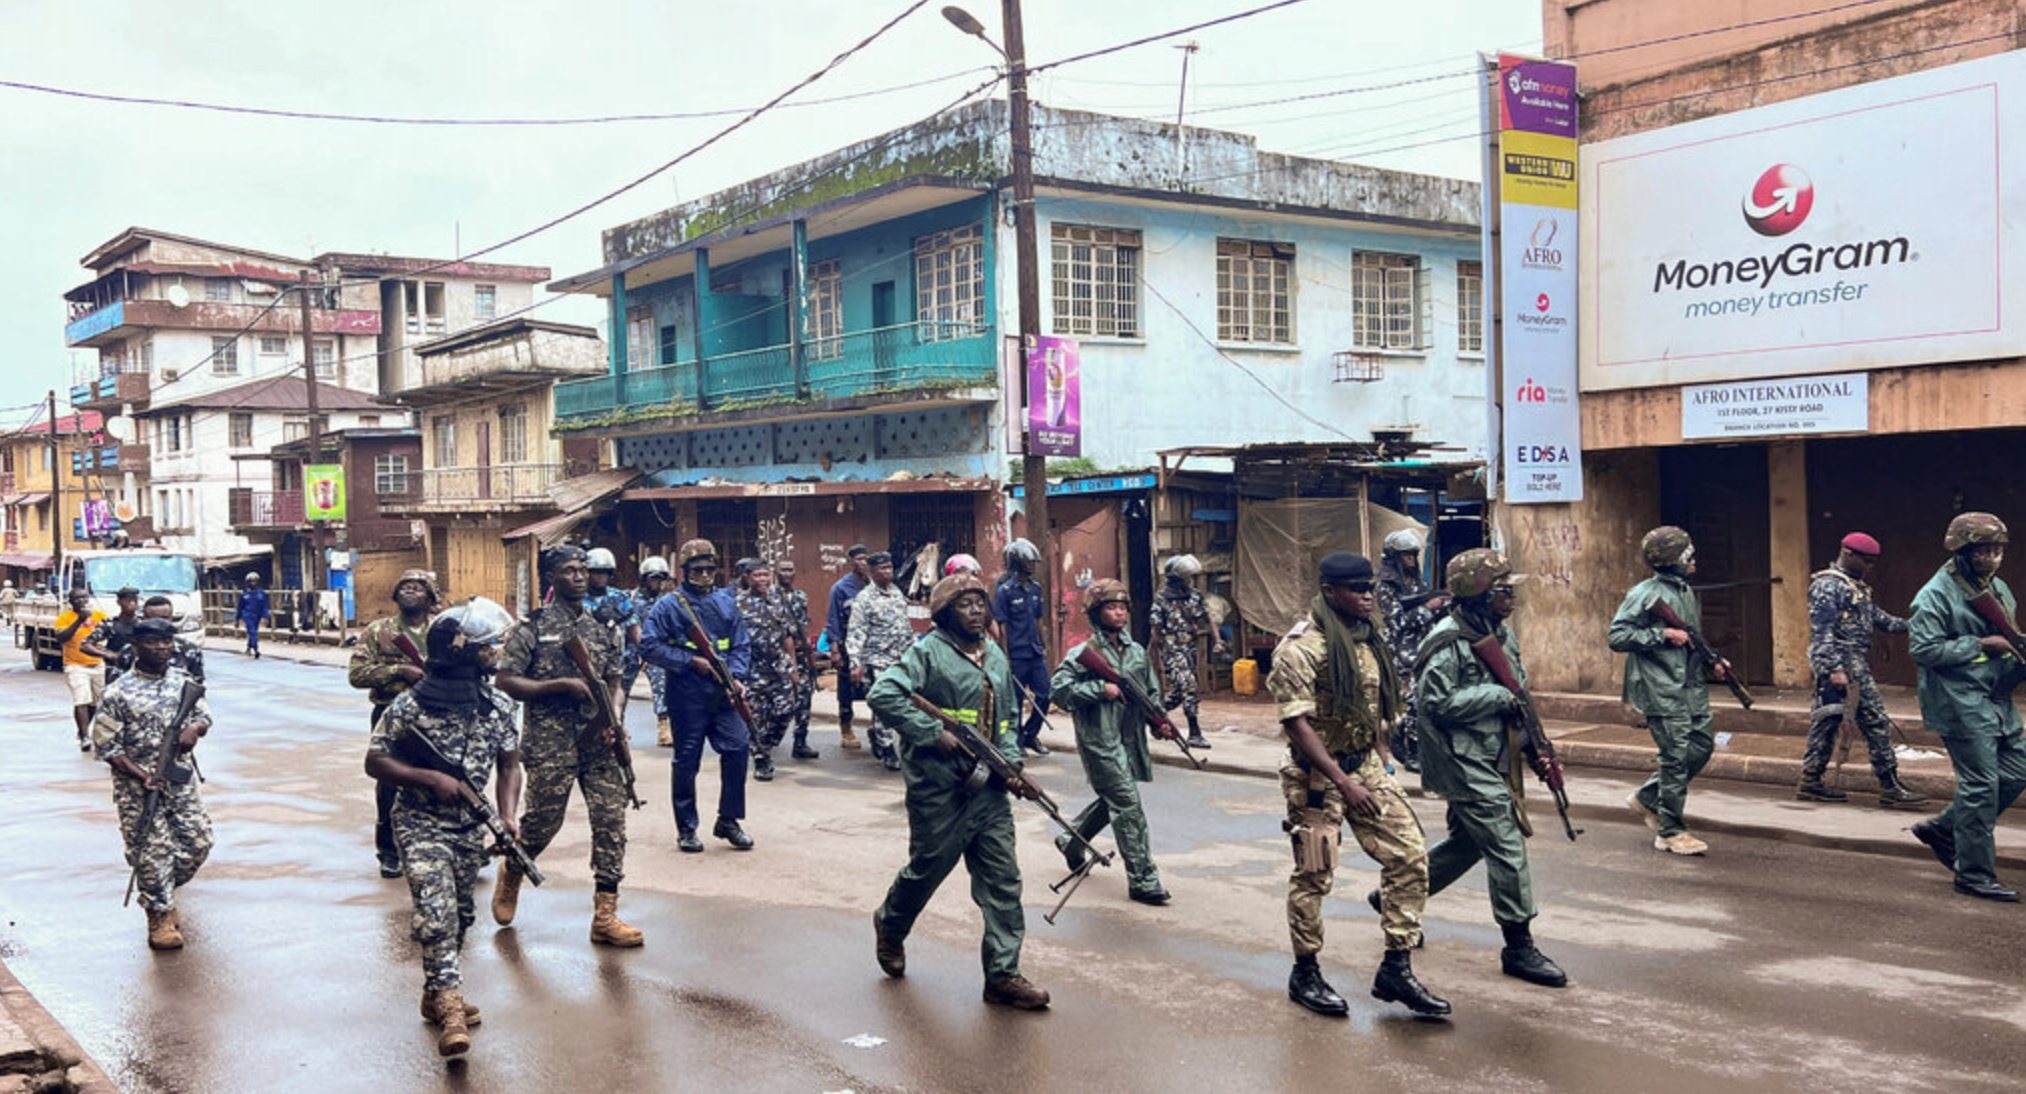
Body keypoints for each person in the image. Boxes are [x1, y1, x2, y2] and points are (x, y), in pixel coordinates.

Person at [1269, 551, 1448, 1018]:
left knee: (1409, 855)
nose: (1368, 595)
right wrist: (1343, 783)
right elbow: (1297, 725)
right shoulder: (1300, 648)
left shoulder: (1366, 637)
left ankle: (1396, 967)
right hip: (1317, 776)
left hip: (1365, 763)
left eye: (1370, 587)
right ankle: (1305, 971)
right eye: (1357, 589)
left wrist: (1381, 749)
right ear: (1330, 592)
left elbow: (1368, 703)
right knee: (1314, 874)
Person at [868, 573, 1050, 1010]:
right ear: (945, 613)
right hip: (939, 788)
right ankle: (890, 925)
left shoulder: (996, 659)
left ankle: (1003, 974)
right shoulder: (927, 653)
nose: (975, 611)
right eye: (965, 604)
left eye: (979, 604)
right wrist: (932, 733)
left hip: (987, 789)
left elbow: (1006, 720)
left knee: (1003, 882)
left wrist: (1011, 766)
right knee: (928, 867)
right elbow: (883, 694)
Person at [364, 598, 523, 1058]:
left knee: (461, 915)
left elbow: (509, 765)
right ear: (461, 652)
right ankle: (451, 1010)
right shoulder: (410, 705)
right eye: (488, 647)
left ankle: (434, 991)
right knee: (436, 915)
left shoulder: (497, 704)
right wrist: (428, 778)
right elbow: (375, 760)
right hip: (418, 821)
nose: (495, 653)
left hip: (470, 826)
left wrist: (508, 815)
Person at [1404, 549, 1566, 988]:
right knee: (1507, 846)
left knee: (1469, 845)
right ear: (1478, 594)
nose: (1511, 596)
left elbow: (1519, 693)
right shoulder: (1447, 642)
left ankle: (1397, 898)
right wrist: (1494, 698)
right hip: (1461, 758)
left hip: (1493, 753)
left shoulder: (1498, 634)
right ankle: (1518, 947)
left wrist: (1537, 749)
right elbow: (1436, 704)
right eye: (1502, 590)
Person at [491, 546, 642, 945]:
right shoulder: (532, 629)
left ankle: (605, 916)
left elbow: (615, 682)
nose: (578, 576)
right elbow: (505, 680)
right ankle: (513, 870)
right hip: (551, 743)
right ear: (551, 579)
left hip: (599, 742)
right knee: (543, 823)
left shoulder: (602, 627)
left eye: (582, 570)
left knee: (611, 822)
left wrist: (615, 718)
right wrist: (559, 686)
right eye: (569, 571)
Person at [1908, 512, 2026, 902]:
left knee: (2017, 771)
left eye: (1997, 550)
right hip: (1959, 700)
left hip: (1996, 697)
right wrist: (1979, 646)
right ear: (1962, 552)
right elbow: (1923, 649)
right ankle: (1973, 872)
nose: (1992, 558)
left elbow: (2007, 633)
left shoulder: (1997, 588)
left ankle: (1945, 829)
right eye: (1982, 552)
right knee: (1981, 785)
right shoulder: (1934, 595)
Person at [1049, 579, 1174, 905]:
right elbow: (1059, 691)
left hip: (1129, 738)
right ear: (1095, 613)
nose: (1118, 613)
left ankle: (1070, 841)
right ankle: (1143, 880)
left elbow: (1149, 693)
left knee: (1114, 801)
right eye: (1111, 607)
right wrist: (1099, 690)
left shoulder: (1136, 653)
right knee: (1128, 805)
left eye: (1122, 607)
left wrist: (1159, 722)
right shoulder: (1084, 653)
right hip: (1099, 741)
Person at [93, 617, 214, 951]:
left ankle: (160, 890)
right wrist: (141, 774)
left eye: (166, 642)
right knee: (150, 849)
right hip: (138, 787)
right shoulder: (118, 691)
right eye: (152, 642)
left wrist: (194, 730)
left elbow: (203, 715)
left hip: (178, 779)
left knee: (198, 842)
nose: (161, 648)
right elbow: (107, 746)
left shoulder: (182, 682)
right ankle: (159, 915)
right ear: (136, 646)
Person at [1610, 526, 1730, 856]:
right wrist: (1661, 635)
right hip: (1660, 688)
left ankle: (1648, 797)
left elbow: (1692, 636)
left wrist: (1713, 660)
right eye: (1688, 556)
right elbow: (1617, 636)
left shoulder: (1685, 592)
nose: (1694, 561)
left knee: (1702, 747)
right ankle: (1670, 830)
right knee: (1675, 758)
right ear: (1673, 561)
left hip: (1690, 685)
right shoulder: (1643, 594)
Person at [641, 539, 755, 853]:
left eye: (710, 568)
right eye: (698, 569)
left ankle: (729, 820)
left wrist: (737, 677)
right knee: (686, 761)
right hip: (687, 693)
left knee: (739, 746)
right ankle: (687, 829)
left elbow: (741, 644)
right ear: (686, 570)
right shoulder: (669, 605)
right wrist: (692, 661)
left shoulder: (726, 602)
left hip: (723, 692)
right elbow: (649, 646)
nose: (705, 574)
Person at [1799, 533, 1926, 808]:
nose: (1870, 566)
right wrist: (1834, 669)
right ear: (1847, 553)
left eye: (1873, 562)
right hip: (1842, 660)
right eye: (1866, 560)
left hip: (1852, 659)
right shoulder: (1827, 586)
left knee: (1827, 721)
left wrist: (1916, 625)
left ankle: (1811, 781)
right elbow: (1822, 633)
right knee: (1875, 719)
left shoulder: (1855, 586)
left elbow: (1879, 619)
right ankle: (1889, 785)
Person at [348, 569, 442, 879]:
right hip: (390, 714)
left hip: (436, 713)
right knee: (389, 783)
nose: (410, 591)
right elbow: (357, 675)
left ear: (430, 597)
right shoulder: (378, 631)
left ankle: (445, 845)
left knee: (444, 778)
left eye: (418, 587)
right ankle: (389, 851)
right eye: (405, 587)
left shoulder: (442, 630)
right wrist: (398, 671)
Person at [1376, 531, 1449, 773]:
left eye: (1413, 555)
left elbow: (1424, 608)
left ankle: (1403, 739)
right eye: (1406, 555)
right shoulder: (1385, 586)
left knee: (1427, 698)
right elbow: (1396, 622)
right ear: (1394, 556)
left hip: (1424, 646)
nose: (1411, 559)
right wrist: (1427, 608)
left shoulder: (1415, 581)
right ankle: (1412, 749)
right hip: (1402, 652)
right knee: (1414, 701)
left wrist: (1441, 604)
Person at [1151, 554, 1226, 752]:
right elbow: (1156, 633)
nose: (1190, 581)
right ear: (1176, 579)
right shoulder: (1161, 600)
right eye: (1187, 577)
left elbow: (1208, 619)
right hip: (1172, 650)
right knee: (1189, 685)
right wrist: (1153, 661)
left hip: (1189, 649)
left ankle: (1151, 715)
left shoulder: (1194, 596)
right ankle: (1194, 733)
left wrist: (1217, 640)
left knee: (1178, 694)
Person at [848, 551, 914, 772]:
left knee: (897, 703)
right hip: (877, 660)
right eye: (882, 569)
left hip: (901, 659)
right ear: (871, 571)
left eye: (889, 568)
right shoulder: (864, 599)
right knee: (885, 704)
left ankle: (878, 734)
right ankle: (888, 750)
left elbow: (905, 626)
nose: (887, 572)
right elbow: (856, 632)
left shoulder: (896, 593)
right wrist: (855, 663)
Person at [735, 560, 799, 782]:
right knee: (756, 717)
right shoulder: (738, 604)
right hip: (753, 669)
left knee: (786, 710)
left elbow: (789, 635)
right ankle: (761, 758)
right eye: (757, 575)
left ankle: (766, 744)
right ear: (747, 577)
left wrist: (793, 667)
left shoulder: (778, 599)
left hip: (780, 667)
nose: (762, 579)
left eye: (765, 574)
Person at [992, 539, 1053, 757]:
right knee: (1016, 701)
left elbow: (1039, 621)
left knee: (1045, 694)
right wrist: (1004, 657)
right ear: (1016, 562)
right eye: (1027, 561)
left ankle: (1030, 734)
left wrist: (1045, 647)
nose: (1032, 565)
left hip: (1034, 653)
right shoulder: (1005, 591)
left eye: (1033, 562)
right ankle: (1016, 740)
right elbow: (1002, 626)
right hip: (1016, 655)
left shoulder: (1036, 589)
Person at [583, 548, 640, 722]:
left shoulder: (619, 598)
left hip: (615, 662)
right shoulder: (577, 596)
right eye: (595, 572)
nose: (600, 577)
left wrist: (646, 652)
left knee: (615, 712)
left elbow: (634, 627)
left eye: (604, 573)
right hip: (584, 662)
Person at [824, 545, 871, 751]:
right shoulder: (841, 588)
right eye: (859, 559)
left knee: (876, 687)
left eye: (866, 559)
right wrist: (835, 650)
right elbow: (833, 619)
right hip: (847, 646)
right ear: (851, 561)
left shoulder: (873, 585)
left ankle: (877, 728)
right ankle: (846, 728)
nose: (863, 563)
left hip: (871, 648)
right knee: (847, 690)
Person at [775, 559, 820, 761]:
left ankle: (800, 742)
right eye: (782, 569)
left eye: (790, 569)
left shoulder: (801, 596)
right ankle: (766, 741)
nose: (786, 573)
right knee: (776, 702)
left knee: (804, 699)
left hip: (801, 656)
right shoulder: (771, 596)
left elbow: (803, 623)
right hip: (777, 657)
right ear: (776, 572)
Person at [630, 557, 674, 748]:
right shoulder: (631, 600)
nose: (656, 583)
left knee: (662, 685)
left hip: (655, 652)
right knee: (618, 691)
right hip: (631, 651)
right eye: (653, 579)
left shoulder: (663, 602)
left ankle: (664, 730)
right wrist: (641, 652)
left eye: (660, 579)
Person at [56, 587, 109, 751]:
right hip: (75, 666)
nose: (82, 601)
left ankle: (82, 730)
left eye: (84, 598)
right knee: (81, 700)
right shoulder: (64, 618)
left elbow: (109, 633)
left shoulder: (99, 616)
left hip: (97, 664)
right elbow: (61, 638)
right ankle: (86, 736)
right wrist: (79, 620)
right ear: (71, 602)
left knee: (95, 703)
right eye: (77, 599)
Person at [83, 587, 143, 685]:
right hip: (115, 672)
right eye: (128, 601)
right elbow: (85, 645)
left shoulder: (143, 624)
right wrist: (109, 655)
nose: (132, 604)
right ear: (119, 602)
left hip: (139, 672)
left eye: (135, 601)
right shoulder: (110, 624)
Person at [139, 596, 204, 682]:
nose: (160, 623)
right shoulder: (133, 651)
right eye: (154, 619)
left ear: (171, 618)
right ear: (144, 619)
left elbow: (197, 685)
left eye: (164, 618)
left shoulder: (189, 650)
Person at [236, 573, 271, 657]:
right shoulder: (244, 594)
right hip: (247, 615)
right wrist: (237, 619)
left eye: (254, 581)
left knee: (253, 632)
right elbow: (240, 607)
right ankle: (256, 649)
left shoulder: (261, 593)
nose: (253, 583)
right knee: (253, 632)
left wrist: (265, 616)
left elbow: (265, 606)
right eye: (251, 581)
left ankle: (248, 647)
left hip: (257, 615)